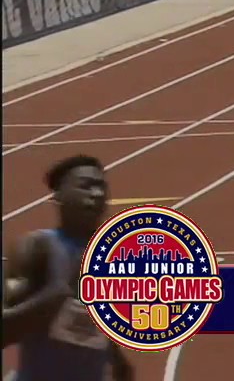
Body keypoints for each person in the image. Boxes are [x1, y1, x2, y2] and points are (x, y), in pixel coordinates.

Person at [2, 155, 134, 380]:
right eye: (85, 186)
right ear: (59, 195)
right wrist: (54, 296)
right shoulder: (37, 248)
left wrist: (119, 362)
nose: (97, 194)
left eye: (102, 187)